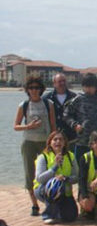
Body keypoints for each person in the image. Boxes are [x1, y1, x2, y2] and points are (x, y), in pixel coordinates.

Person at [14, 74, 56, 215]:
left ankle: (49, 200)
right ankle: (34, 204)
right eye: (31, 88)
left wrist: (54, 142)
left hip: (45, 143)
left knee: (48, 172)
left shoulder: (48, 104)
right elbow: (16, 126)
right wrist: (28, 126)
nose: (34, 90)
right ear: (27, 90)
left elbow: (53, 125)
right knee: (30, 173)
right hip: (29, 143)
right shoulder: (24, 105)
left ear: (41, 89)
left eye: (37, 88)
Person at [33, 131, 79, 224]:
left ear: (65, 142)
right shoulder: (43, 157)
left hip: (64, 191)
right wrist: (55, 167)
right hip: (44, 189)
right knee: (55, 184)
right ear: (50, 142)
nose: (58, 142)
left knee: (71, 217)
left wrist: (65, 178)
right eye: (55, 139)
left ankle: (58, 210)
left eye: (61, 139)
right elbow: (40, 178)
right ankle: (48, 215)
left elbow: (76, 177)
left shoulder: (70, 156)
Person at [63, 73, 97, 165]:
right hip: (82, 140)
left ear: (96, 87)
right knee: (81, 167)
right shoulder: (78, 99)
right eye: (86, 86)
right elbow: (66, 114)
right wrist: (75, 125)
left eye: (91, 86)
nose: (88, 89)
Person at [43, 73, 77, 145]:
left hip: (71, 138)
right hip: (52, 139)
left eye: (64, 81)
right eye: (60, 81)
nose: (62, 83)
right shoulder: (46, 98)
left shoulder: (74, 97)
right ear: (54, 83)